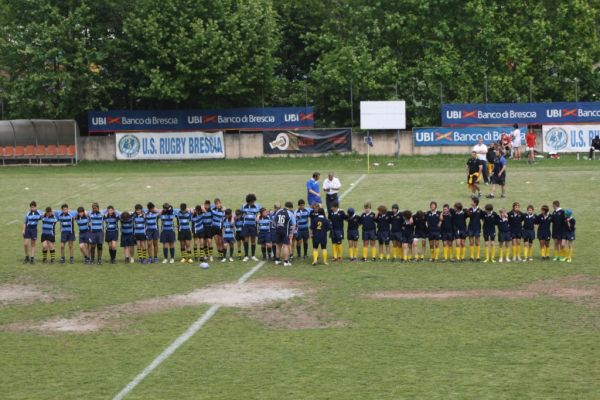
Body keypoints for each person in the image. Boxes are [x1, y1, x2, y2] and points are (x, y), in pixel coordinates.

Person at [273, 201, 296, 267]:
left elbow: (274, 221)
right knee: (286, 245)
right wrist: (291, 233)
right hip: (285, 231)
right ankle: (286, 261)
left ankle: (277, 260)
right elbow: (294, 224)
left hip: (278, 230)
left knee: (278, 245)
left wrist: (276, 227)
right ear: (290, 207)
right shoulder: (290, 213)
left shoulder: (278, 211)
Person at [241, 194, 261, 262]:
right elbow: (240, 214)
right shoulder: (243, 206)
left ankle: (253, 255)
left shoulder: (257, 206)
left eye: (254, 201)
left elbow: (261, 212)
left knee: (253, 240)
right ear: (248, 201)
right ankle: (246, 256)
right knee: (246, 240)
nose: (253, 202)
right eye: (252, 201)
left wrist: (258, 216)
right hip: (246, 225)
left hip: (253, 225)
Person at [466, 197, 482, 262]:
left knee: (477, 242)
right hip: (470, 227)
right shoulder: (469, 209)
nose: (471, 202)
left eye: (472, 201)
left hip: (477, 228)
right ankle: (471, 257)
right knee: (471, 242)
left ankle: (478, 257)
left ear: (475, 203)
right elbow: (466, 216)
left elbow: (484, 218)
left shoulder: (480, 210)